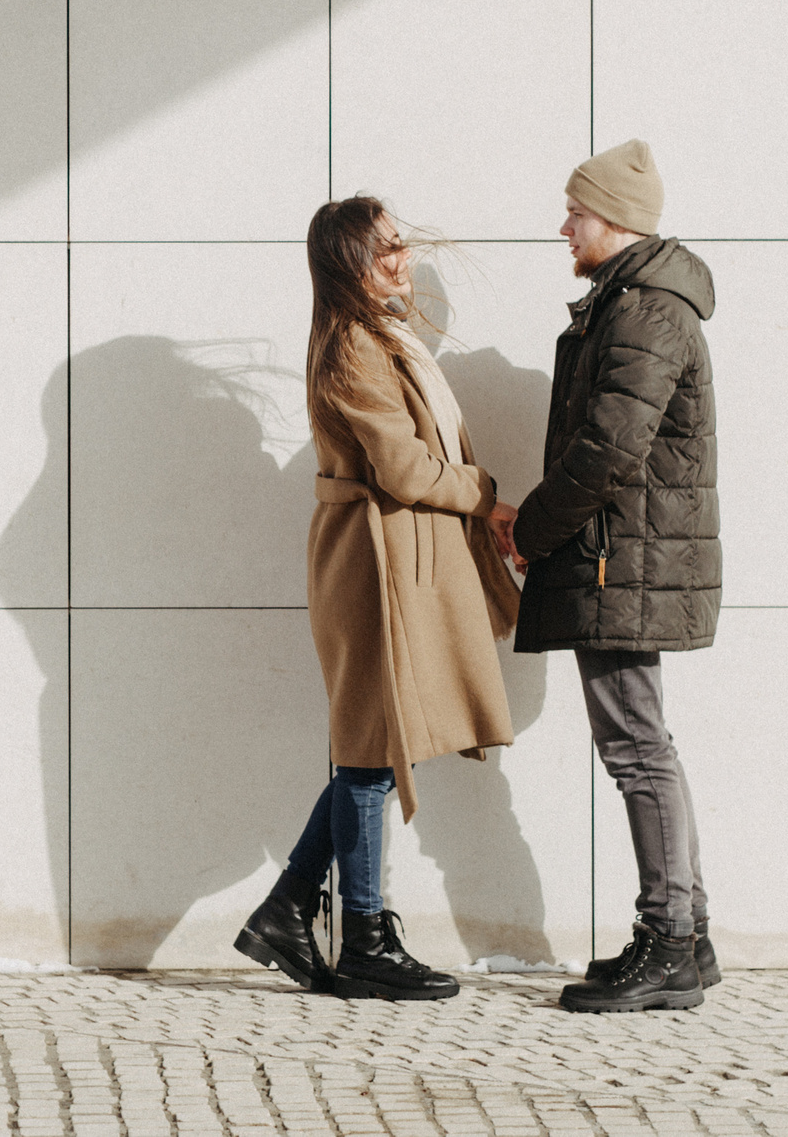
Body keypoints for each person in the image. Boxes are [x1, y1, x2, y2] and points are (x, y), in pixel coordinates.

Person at [235, 197, 525, 1001]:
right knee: (371, 751)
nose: (403, 260)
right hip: (370, 565)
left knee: (373, 745)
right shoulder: (354, 347)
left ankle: (290, 905)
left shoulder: (377, 336)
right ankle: (361, 936)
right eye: (384, 250)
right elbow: (400, 468)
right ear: (347, 267)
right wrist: (482, 491)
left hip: (390, 560)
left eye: (401, 244)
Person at [508, 140, 723, 1015]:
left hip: (621, 559)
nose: (565, 227)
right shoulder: (631, 302)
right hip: (622, 554)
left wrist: (531, 528)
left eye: (577, 212)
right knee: (644, 742)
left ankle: (669, 941)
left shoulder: (645, 312)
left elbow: (607, 447)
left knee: (636, 746)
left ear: (619, 219)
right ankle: (685, 936)